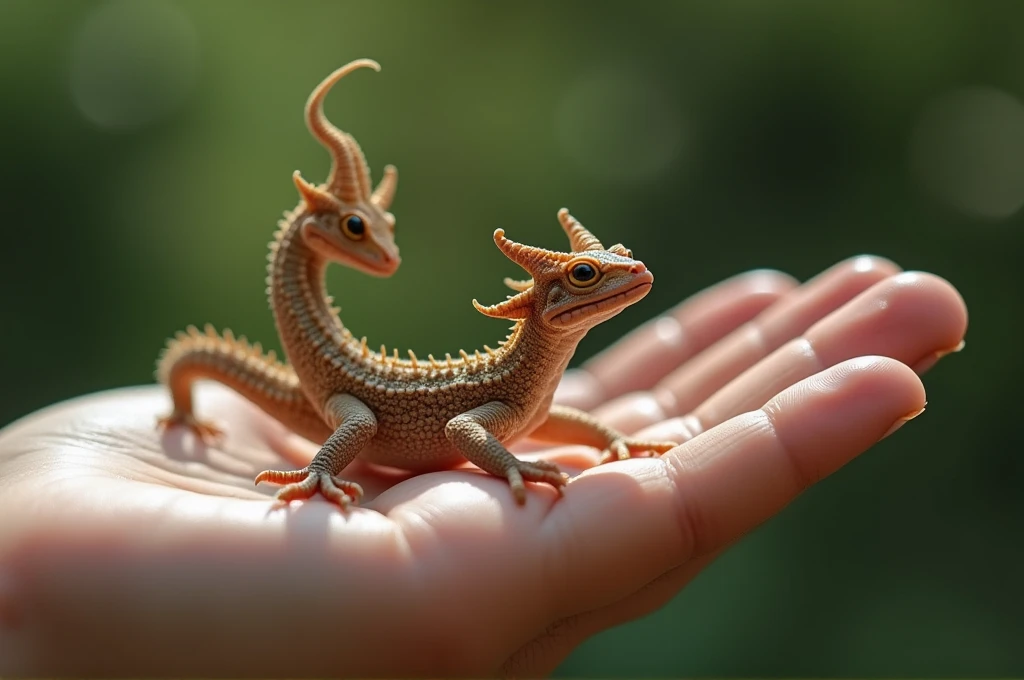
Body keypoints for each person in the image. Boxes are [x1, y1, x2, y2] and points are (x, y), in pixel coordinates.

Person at [0, 255, 967, 677]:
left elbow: (558, 417)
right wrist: (505, 464)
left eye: (609, 275)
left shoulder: (532, 382)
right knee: (320, 428)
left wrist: (610, 444)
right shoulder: (509, 392)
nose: (620, 284)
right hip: (360, 419)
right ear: (549, 304)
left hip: (382, 405)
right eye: (590, 280)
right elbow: (473, 435)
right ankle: (321, 474)